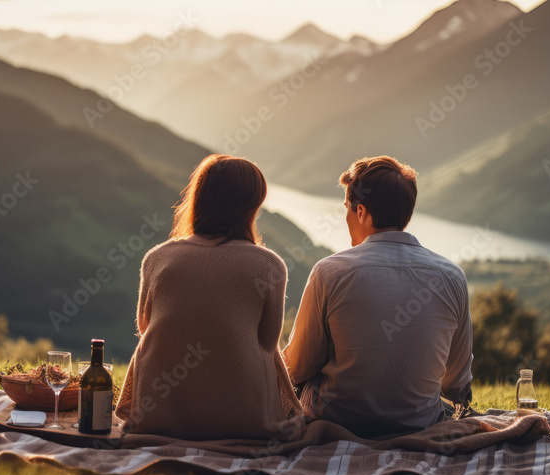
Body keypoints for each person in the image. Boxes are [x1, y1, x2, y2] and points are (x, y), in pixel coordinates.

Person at [283, 155, 473, 439]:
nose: (346, 217)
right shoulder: (452, 276)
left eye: (347, 208)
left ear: (361, 212)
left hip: (338, 423)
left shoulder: (329, 272)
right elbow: (456, 386)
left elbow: (297, 368)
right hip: (419, 424)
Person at [114, 154, 302, 440]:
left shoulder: (158, 257)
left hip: (158, 411)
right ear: (250, 206)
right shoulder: (269, 264)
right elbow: (266, 341)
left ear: (200, 198)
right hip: (245, 416)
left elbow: (145, 327)